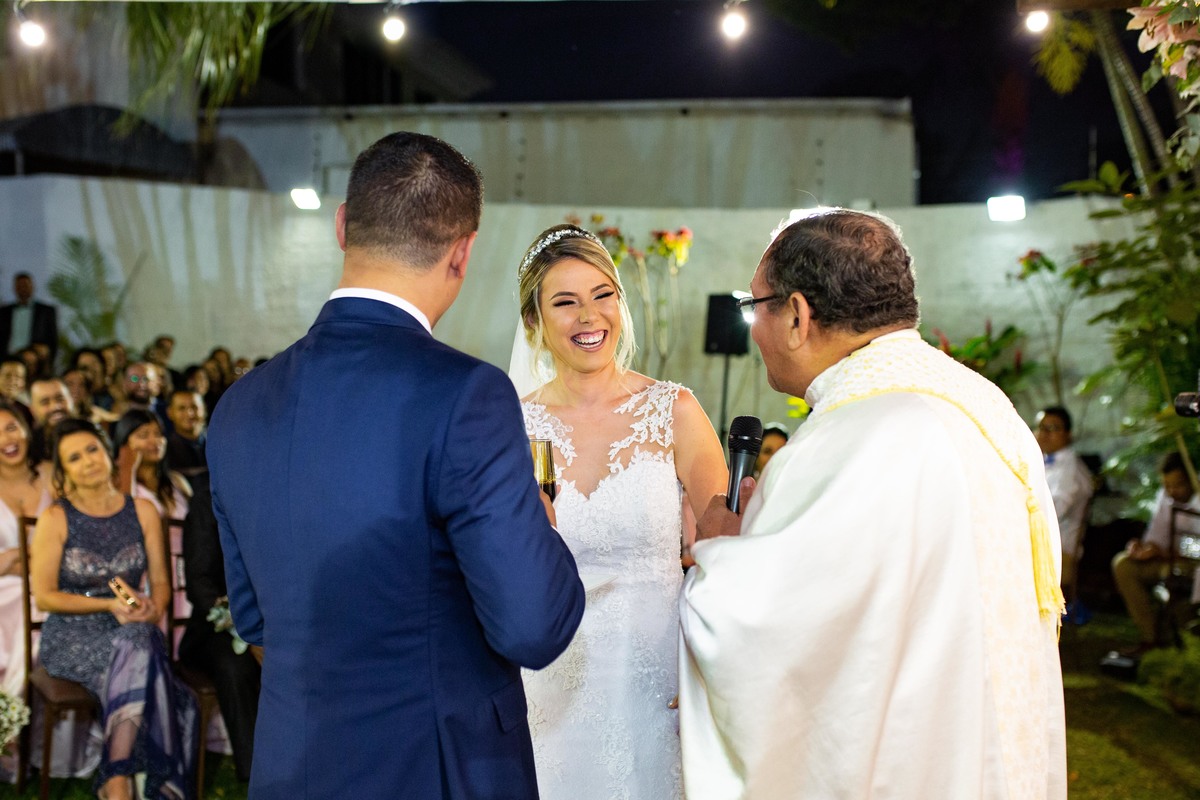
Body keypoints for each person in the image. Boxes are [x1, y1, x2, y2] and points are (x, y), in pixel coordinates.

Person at [206, 131, 585, 799]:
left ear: (342, 226)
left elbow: (256, 618)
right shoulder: (465, 394)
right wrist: (541, 528)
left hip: (292, 767)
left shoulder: (240, 404)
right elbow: (533, 626)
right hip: (434, 769)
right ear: (462, 252)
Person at [678, 209, 1067, 799]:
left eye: (755, 306)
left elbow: (766, 637)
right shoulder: (990, 411)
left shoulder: (852, 439)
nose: (753, 329)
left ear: (798, 316)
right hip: (991, 747)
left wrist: (719, 554)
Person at [509, 224, 726, 799]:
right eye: (565, 302)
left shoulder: (674, 410)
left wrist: (708, 664)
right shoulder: (510, 425)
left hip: (657, 684)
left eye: (602, 295)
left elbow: (728, 554)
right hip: (547, 685)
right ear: (533, 321)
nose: (589, 316)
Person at [30, 418, 197, 800]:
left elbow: (161, 585)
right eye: (74, 458)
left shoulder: (143, 510)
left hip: (132, 628)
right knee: (169, 690)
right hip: (72, 635)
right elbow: (45, 597)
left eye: (92, 450)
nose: (87, 461)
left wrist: (152, 607)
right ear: (64, 471)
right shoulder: (56, 517)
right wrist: (109, 604)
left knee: (139, 640)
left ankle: (116, 779)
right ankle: (129, 782)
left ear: (108, 453)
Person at [178, 478, 260, 783]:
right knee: (235, 665)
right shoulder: (207, 501)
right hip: (213, 629)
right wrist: (245, 632)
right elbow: (199, 585)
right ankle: (256, 773)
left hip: (273, 623)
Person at [1111, 452, 1200, 655]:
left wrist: (1172, 551)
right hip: (1167, 561)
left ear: (1191, 479)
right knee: (1123, 565)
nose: (1171, 491)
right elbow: (1157, 533)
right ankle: (1150, 638)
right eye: (1167, 485)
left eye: (1178, 485)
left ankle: (1183, 639)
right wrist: (1144, 548)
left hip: (1193, 568)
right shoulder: (1165, 496)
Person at [0, 401, 51, 696]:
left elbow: (73, 540)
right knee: (26, 599)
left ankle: (12, 707)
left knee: (38, 602)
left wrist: (13, 558)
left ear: (26, 431)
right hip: (6, 591)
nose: (6, 439)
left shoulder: (53, 476)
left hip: (49, 584)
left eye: (11, 428)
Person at [1035, 406, 1094, 600]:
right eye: (1041, 427)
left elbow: (1056, 510)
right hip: (1039, 541)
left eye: (1053, 428)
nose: (1045, 433)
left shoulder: (1071, 469)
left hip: (1058, 548)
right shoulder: (1041, 462)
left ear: (1068, 434)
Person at [0, 272, 58, 364]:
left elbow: (53, 340)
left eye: (26, 285)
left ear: (33, 287)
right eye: (19, 285)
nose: (23, 288)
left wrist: (49, 362)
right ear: (14, 288)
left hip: (35, 361)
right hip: (8, 359)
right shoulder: (4, 311)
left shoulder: (46, 311)